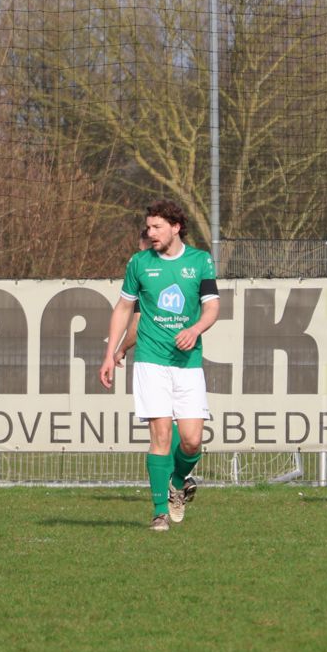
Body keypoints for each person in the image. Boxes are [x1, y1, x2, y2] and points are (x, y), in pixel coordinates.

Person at [99, 200, 220, 531]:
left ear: (176, 227)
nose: (150, 233)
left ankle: (177, 482)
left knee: (192, 441)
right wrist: (110, 353)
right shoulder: (139, 263)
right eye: (148, 227)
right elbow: (124, 308)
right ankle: (159, 512)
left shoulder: (200, 261)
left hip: (188, 363)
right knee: (161, 434)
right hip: (150, 361)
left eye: (157, 227)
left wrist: (195, 329)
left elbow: (212, 307)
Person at [116, 225, 196, 504]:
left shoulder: (152, 275)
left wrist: (121, 348)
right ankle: (172, 492)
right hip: (173, 360)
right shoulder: (152, 271)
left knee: (167, 428)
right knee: (168, 425)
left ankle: (177, 481)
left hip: (163, 360)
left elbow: (137, 324)